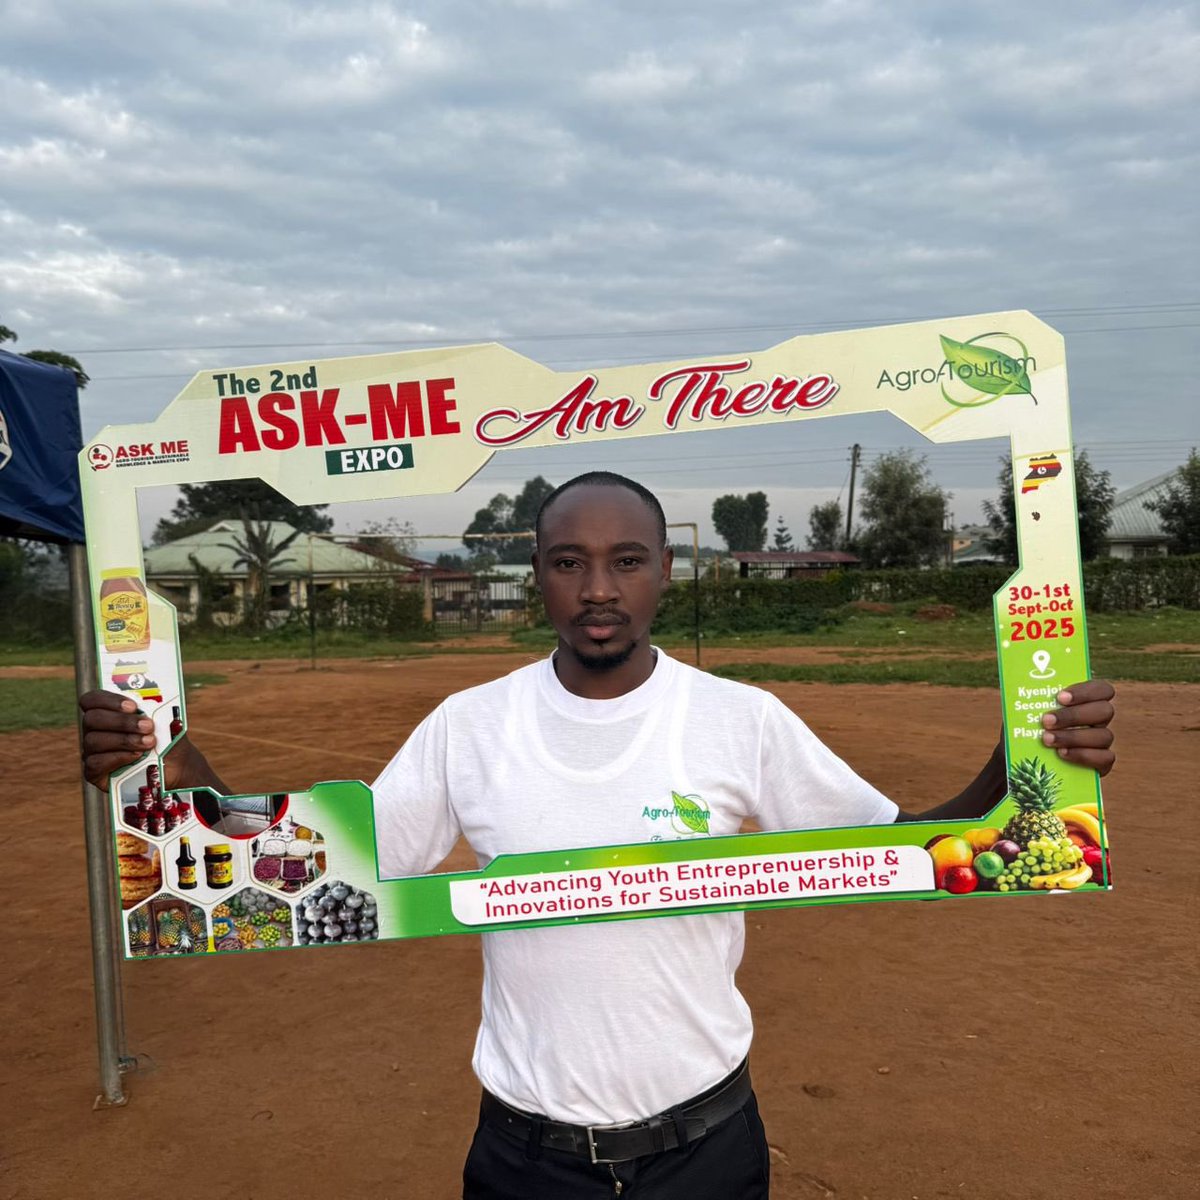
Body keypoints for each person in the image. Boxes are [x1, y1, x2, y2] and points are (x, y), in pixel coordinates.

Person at [81, 472, 1116, 1199]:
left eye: (626, 561)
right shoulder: (469, 727)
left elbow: (917, 849)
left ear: (667, 569)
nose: (599, 589)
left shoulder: (737, 720)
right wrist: (173, 769)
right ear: (537, 573)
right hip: (525, 1157)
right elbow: (324, 870)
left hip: (706, 1148)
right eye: (570, 563)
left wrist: (1033, 755)